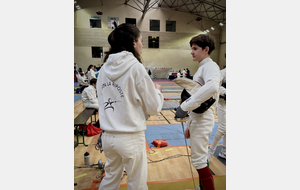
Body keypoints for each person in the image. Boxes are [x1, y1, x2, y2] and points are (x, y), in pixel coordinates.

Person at [96, 23, 164, 190]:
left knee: (110, 179)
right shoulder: (136, 67)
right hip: (130, 138)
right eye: (141, 40)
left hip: (108, 138)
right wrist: (158, 92)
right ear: (134, 42)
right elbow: (154, 108)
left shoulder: (103, 69)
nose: (142, 44)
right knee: (137, 184)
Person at [175, 34, 220, 190]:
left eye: (195, 49)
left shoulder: (210, 66)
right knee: (200, 158)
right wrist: (190, 124)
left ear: (206, 50)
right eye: (191, 48)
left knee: (199, 162)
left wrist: (184, 106)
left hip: (203, 120)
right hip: (198, 120)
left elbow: (213, 88)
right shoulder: (203, 67)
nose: (191, 52)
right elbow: (200, 96)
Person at [208, 54, 226, 161]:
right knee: (222, 128)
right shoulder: (223, 72)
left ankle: (224, 151)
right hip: (222, 104)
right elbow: (216, 85)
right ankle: (210, 152)